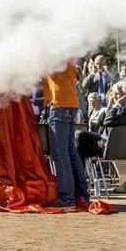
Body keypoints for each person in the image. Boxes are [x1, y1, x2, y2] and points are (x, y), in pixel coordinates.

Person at [43, 60, 89, 209]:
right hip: (68, 103)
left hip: (59, 104)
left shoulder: (57, 53)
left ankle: (66, 198)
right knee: (70, 152)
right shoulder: (66, 50)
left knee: (61, 154)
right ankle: (81, 195)